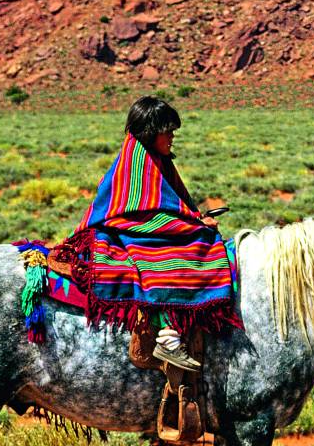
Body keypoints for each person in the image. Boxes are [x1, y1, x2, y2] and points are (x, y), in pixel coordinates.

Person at [52, 96, 241, 372]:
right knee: (174, 257)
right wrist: (196, 225)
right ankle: (168, 336)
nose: (172, 136)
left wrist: (195, 218)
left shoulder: (155, 158)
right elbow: (143, 214)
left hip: (139, 228)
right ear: (151, 132)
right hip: (126, 230)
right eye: (168, 131)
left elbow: (168, 205)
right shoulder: (138, 162)